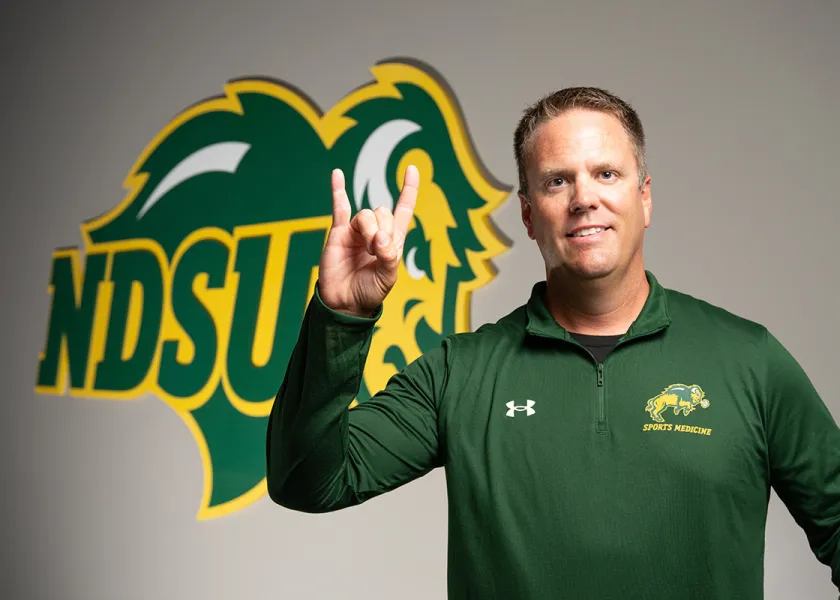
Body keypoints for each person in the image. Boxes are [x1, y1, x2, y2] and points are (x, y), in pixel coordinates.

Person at [265, 87, 840, 599]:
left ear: (645, 199)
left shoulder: (749, 360)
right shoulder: (461, 372)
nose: (583, 197)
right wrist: (339, 314)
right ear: (528, 215)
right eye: (557, 181)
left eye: (606, 174)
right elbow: (308, 481)